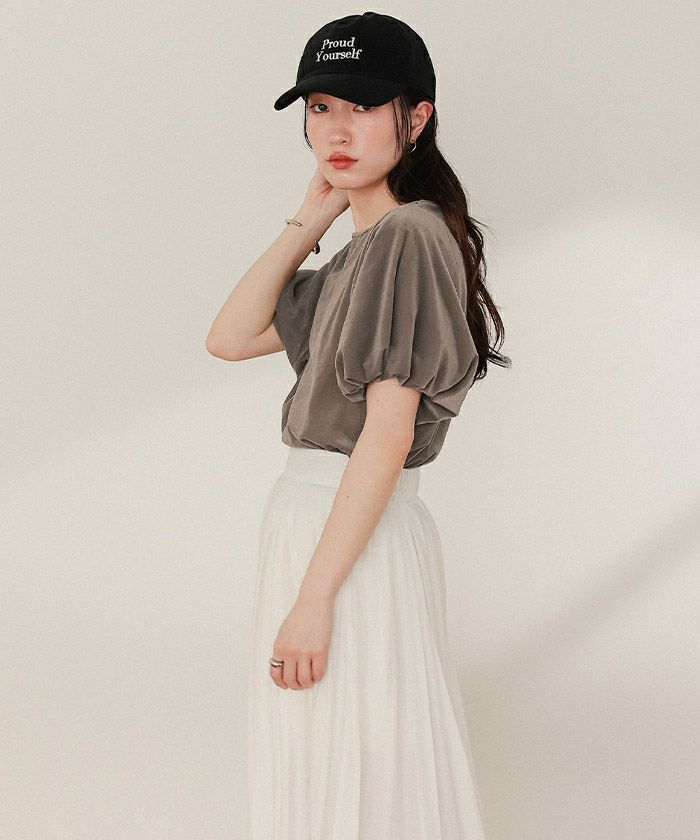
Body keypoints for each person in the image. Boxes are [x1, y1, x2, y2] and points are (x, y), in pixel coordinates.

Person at [206, 11, 510, 839]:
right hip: (330, 527)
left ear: (417, 117)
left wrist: (314, 598)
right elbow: (228, 337)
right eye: (320, 107)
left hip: (347, 536)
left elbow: (386, 434)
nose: (336, 130)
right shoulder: (361, 253)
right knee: (336, 750)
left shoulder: (408, 236)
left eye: (363, 106)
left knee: (355, 755)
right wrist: (311, 219)